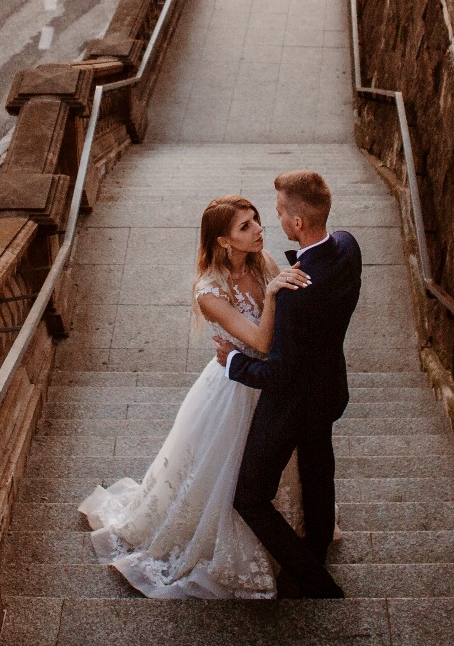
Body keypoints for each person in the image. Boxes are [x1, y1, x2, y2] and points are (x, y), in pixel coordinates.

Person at [79, 196, 309, 599]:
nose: (258, 228)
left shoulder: (263, 261)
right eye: (245, 226)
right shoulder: (208, 290)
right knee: (228, 472)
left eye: (256, 220)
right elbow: (259, 338)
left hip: (268, 383)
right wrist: (273, 295)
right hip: (233, 391)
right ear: (223, 241)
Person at [221, 170, 360, 599]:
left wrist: (232, 362)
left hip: (292, 402)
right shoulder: (348, 245)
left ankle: (313, 580)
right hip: (329, 389)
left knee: (249, 497)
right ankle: (316, 544)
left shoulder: (295, 297)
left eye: (279, 212)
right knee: (318, 464)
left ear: (297, 223)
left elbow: (276, 374)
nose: (274, 220)